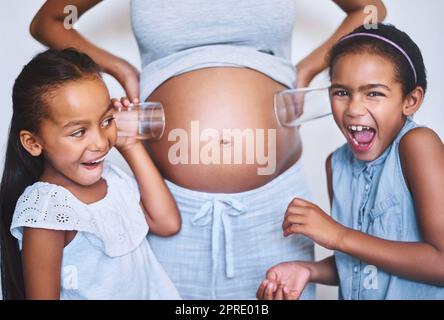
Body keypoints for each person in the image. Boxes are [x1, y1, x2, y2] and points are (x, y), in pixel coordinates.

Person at [29, 0, 387, 299]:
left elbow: (369, 10)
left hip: (275, 209)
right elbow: (50, 21)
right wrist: (118, 68)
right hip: (167, 205)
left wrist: (307, 70)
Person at [257, 23, 444, 300]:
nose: (354, 109)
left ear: (411, 100)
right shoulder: (337, 165)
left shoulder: (418, 145)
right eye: (341, 92)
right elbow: (360, 264)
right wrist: (308, 270)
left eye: (374, 93)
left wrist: (338, 235)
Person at [0, 48, 182, 300]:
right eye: (78, 132)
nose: (100, 142)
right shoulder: (47, 211)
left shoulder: (113, 181)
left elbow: (166, 222)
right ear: (33, 142)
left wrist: (130, 144)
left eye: (106, 120)